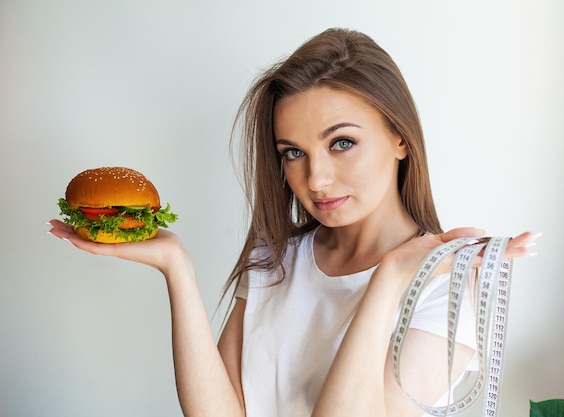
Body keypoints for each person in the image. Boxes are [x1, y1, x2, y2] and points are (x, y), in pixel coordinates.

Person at [48, 28, 536, 417]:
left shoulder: (445, 288)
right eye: (293, 153)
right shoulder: (276, 256)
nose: (316, 178)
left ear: (399, 138)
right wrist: (176, 266)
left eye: (341, 142)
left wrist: (389, 280)